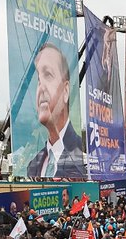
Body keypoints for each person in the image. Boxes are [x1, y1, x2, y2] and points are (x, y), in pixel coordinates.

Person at [25, 42, 86, 179]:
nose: (41, 88)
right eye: (38, 80)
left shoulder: (78, 158)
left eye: (48, 75)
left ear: (65, 90)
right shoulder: (33, 166)